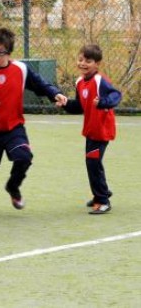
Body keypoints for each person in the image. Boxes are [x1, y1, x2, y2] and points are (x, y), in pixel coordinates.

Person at [0, 28, 67, 215]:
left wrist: (55, 93)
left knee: (24, 158)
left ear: (9, 53)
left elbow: (41, 84)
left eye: (0, 52)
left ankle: (13, 187)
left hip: (13, 128)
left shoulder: (20, 70)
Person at [57, 44, 121, 214]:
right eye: (80, 60)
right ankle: (101, 193)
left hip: (102, 130)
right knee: (92, 163)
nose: (83, 63)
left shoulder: (101, 80)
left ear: (97, 64)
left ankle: (103, 201)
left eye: (88, 61)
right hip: (91, 130)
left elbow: (116, 95)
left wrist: (103, 103)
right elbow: (79, 106)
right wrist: (65, 104)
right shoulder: (79, 82)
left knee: (93, 163)